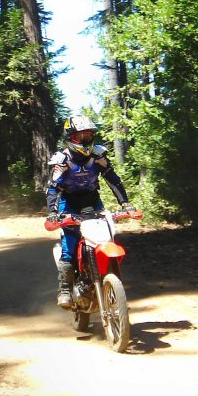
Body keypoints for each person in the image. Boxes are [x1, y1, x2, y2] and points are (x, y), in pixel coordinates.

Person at [46, 115, 135, 308]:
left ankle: (107, 278)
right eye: (81, 136)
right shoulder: (62, 160)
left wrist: (125, 204)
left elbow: (112, 178)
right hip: (68, 204)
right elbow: (53, 188)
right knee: (69, 246)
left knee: (106, 238)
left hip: (93, 202)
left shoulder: (98, 155)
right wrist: (53, 213)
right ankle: (65, 290)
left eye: (88, 136)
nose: (85, 140)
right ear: (70, 137)